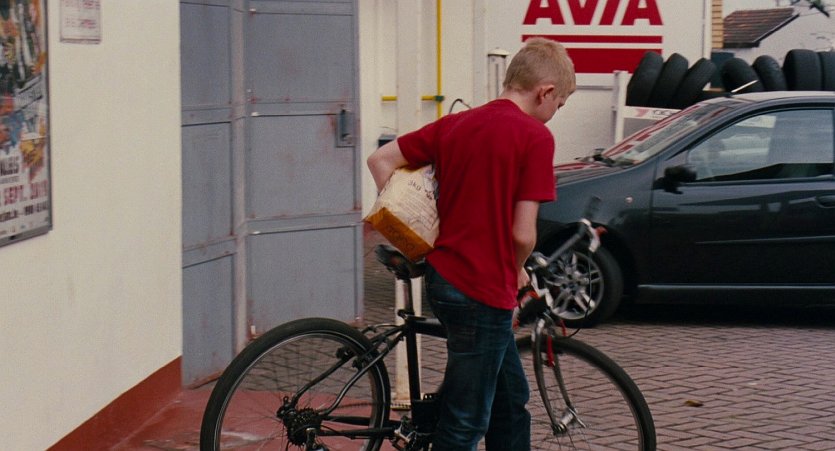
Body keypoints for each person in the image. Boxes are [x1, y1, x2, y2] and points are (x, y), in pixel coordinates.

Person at [366, 37, 575, 450]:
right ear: (545, 91)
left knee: (510, 401)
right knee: (465, 423)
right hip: (482, 289)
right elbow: (522, 234)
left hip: (443, 279)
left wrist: (417, 229)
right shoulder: (534, 137)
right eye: (560, 104)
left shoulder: (457, 123)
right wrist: (516, 271)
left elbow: (381, 160)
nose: (555, 114)